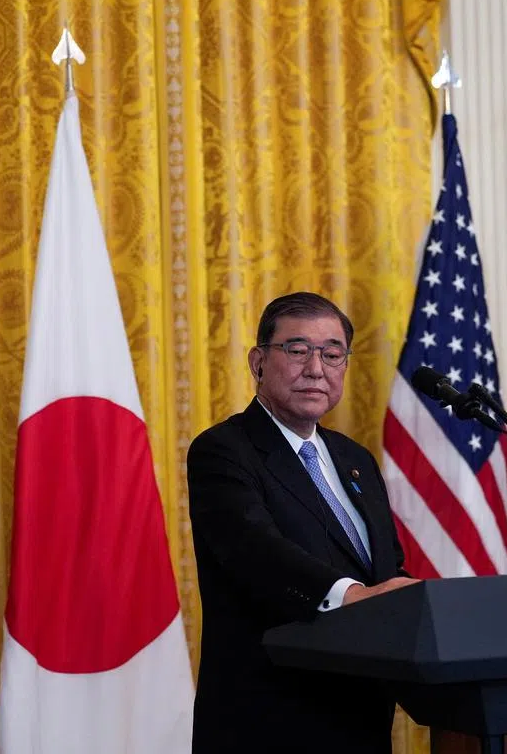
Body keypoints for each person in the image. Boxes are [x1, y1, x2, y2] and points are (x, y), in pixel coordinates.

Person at [187, 292, 418, 754]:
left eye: (332, 354)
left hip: (360, 715)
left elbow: (387, 564)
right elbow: (255, 551)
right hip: (269, 719)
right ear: (257, 362)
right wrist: (353, 596)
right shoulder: (224, 450)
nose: (316, 368)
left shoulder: (355, 459)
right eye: (297, 350)